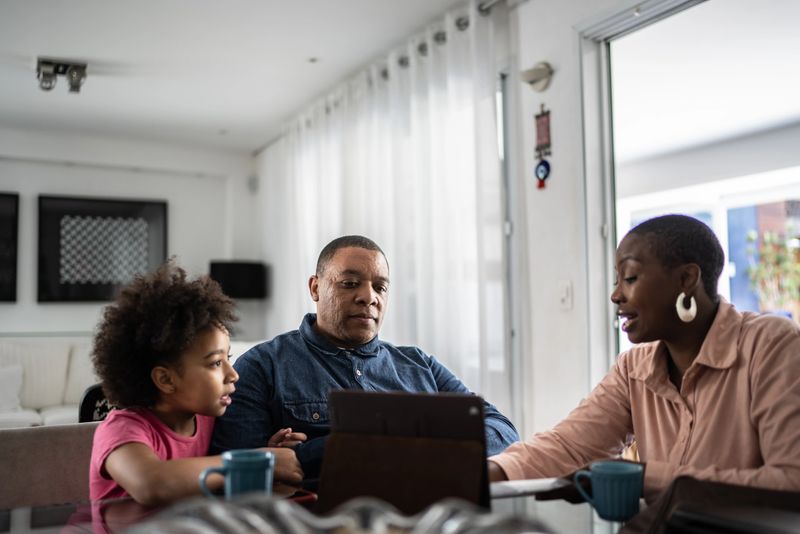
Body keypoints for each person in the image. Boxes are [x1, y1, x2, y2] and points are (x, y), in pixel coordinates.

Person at [488, 214, 800, 501]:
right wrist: (480, 474)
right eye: (616, 281)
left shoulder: (770, 344)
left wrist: (647, 479)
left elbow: (791, 480)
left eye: (631, 278)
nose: (616, 295)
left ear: (686, 279)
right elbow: (568, 448)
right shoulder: (633, 368)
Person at [211, 235, 519, 476]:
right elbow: (238, 470)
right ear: (316, 287)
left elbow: (501, 431)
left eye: (380, 287)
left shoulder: (419, 364)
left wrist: (311, 453)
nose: (368, 297)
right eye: (350, 283)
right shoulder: (262, 366)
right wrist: (426, 440)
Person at [89, 261, 305, 506]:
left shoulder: (209, 421)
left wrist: (265, 462)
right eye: (215, 363)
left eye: (228, 358)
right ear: (166, 379)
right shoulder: (121, 430)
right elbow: (152, 484)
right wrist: (254, 460)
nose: (233, 374)